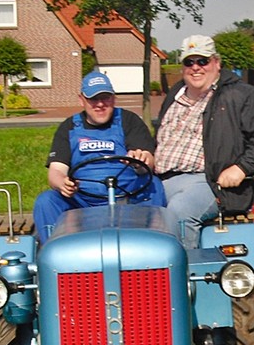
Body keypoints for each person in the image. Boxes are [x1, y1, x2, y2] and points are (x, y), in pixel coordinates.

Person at [154, 35, 254, 247]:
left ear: (216, 63)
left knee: (180, 211)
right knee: (132, 211)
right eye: (189, 62)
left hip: (208, 181)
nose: (195, 67)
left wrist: (241, 168)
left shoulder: (241, 95)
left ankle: (184, 266)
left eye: (203, 61)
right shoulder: (175, 95)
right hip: (161, 179)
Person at [33, 71, 165, 243]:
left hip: (127, 197)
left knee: (154, 184)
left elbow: (148, 159)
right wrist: (63, 183)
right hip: (82, 200)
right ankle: (55, 252)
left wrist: (140, 162)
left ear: (114, 98)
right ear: (82, 100)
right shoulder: (69, 127)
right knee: (46, 200)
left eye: (105, 98)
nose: (100, 104)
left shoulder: (129, 121)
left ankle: (155, 245)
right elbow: (56, 171)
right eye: (93, 99)